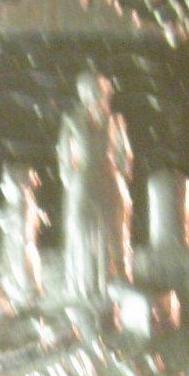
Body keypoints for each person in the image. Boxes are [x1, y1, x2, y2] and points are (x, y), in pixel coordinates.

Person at [57, 71, 134, 298]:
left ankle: (115, 279)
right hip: (83, 181)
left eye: (104, 91)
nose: (105, 95)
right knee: (82, 229)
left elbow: (125, 153)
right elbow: (64, 156)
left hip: (109, 179)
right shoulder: (71, 120)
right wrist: (71, 181)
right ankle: (84, 283)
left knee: (113, 229)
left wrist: (122, 176)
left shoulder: (115, 121)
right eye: (100, 91)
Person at [0, 163, 49, 304]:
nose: (2, 186)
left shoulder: (20, 206)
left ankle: (25, 292)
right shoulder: (23, 203)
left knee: (21, 268)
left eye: (5, 183)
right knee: (24, 266)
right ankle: (27, 291)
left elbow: (10, 222)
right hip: (21, 246)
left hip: (19, 248)